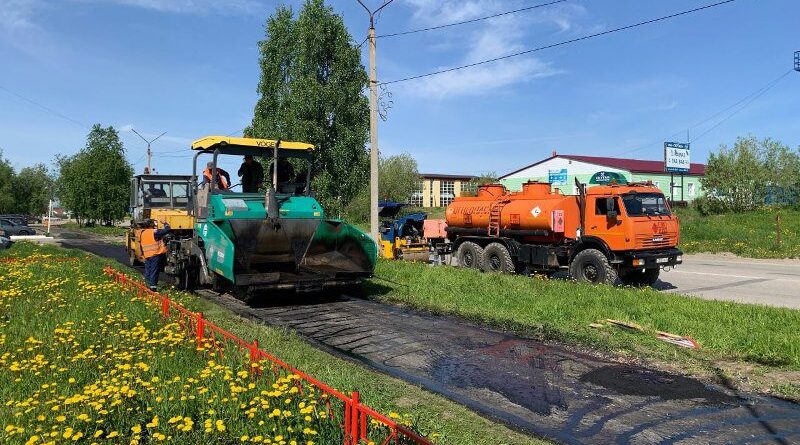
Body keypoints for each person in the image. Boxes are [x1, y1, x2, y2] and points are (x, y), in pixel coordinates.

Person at [141, 219, 170, 291]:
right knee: (154, 270)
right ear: (151, 224)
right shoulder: (154, 232)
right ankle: (153, 287)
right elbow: (167, 230)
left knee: (148, 270)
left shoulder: (143, 232)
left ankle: (147, 284)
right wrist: (165, 223)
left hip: (147, 254)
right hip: (155, 254)